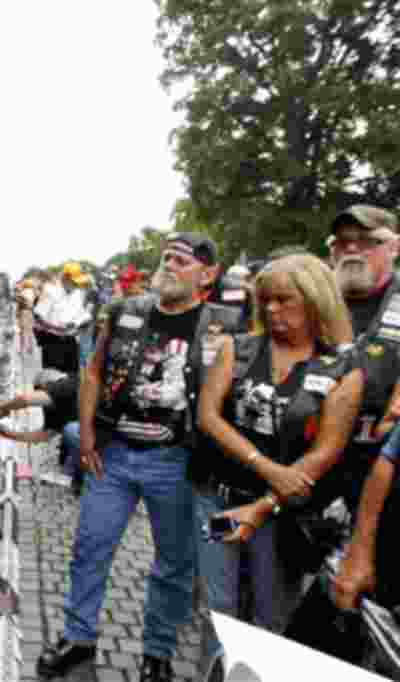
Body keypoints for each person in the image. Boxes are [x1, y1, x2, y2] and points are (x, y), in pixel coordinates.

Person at [37, 233, 240, 682]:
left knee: (174, 563)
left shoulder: (220, 327)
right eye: (166, 257)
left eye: (182, 261)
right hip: (114, 456)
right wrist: (87, 433)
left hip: (176, 463)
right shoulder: (124, 311)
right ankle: (78, 637)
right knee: (90, 547)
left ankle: (157, 654)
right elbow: (93, 372)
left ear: (207, 275)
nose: (168, 265)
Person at [192, 254, 362, 676]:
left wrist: (265, 503)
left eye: (284, 300)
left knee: (272, 620)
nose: (271, 310)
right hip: (218, 502)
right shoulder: (240, 347)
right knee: (219, 608)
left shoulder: (342, 368)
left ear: (315, 300)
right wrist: (268, 468)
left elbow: (326, 452)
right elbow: (209, 417)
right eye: (265, 300)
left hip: (281, 516)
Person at [282, 205, 400, 665]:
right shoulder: (303, 301)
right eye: (341, 242)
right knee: (279, 584)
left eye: (365, 240)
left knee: (350, 606)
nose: (351, 249)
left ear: (393, 246)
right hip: (298, 474)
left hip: (376, 480)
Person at [33, 263, 92, 374]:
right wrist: (56, 328)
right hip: (53, 343)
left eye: (77, 283)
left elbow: (83, 315)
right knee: (53, 379)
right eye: (74, 282)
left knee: (72, 379)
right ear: (65, 278)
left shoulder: (77, 294)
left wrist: (79, 325)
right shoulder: (51, 292)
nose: (76, 285)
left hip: (71, 342)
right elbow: (38, 317)